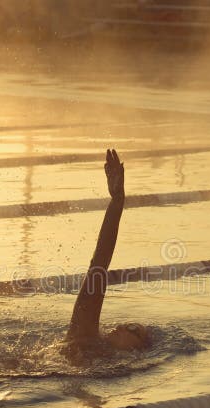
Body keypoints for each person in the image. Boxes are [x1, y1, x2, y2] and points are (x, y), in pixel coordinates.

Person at [63, 149, 152, 363]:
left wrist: (118, 201)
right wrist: (116, 202)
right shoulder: (85, 335)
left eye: (132, 329)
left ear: (136, 348)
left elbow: (100, 264)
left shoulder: (88, 340)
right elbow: (98, 266)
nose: (121, 326)